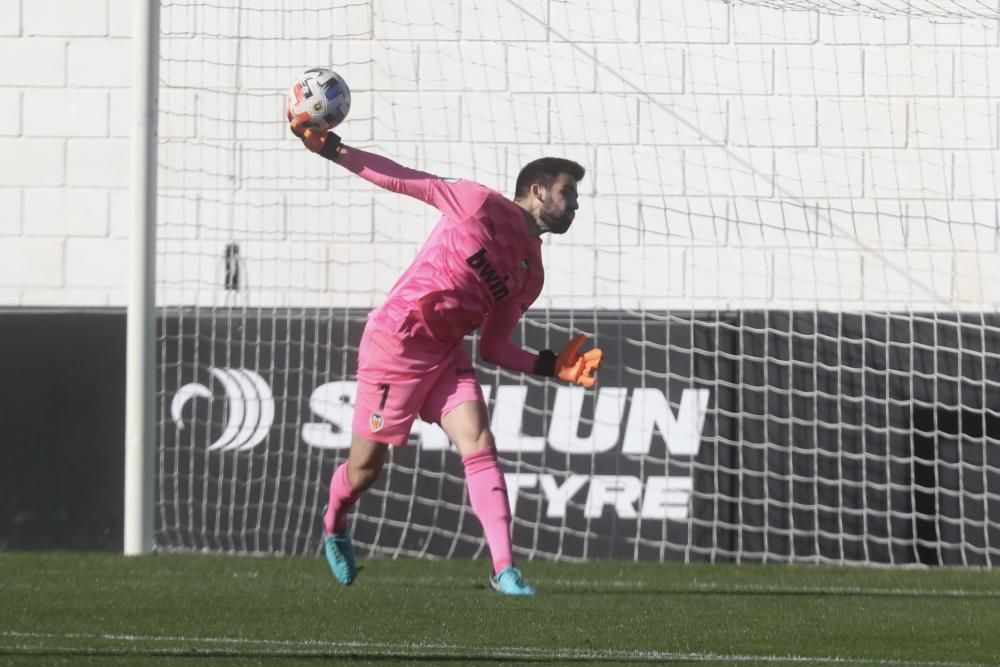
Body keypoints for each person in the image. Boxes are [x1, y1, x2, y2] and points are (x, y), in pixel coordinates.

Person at [288, 116, 603, 596]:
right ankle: (334, 524)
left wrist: (549, 365)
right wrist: (333, 149)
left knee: (478, 442)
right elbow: (399, 178)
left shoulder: (530, 273)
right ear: (537, 191)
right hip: (397, 343)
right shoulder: (477, 202)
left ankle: (504, 569)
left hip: (444, 354)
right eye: (568, 193)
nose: (575, 204)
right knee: (363, 472)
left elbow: (494, 347)